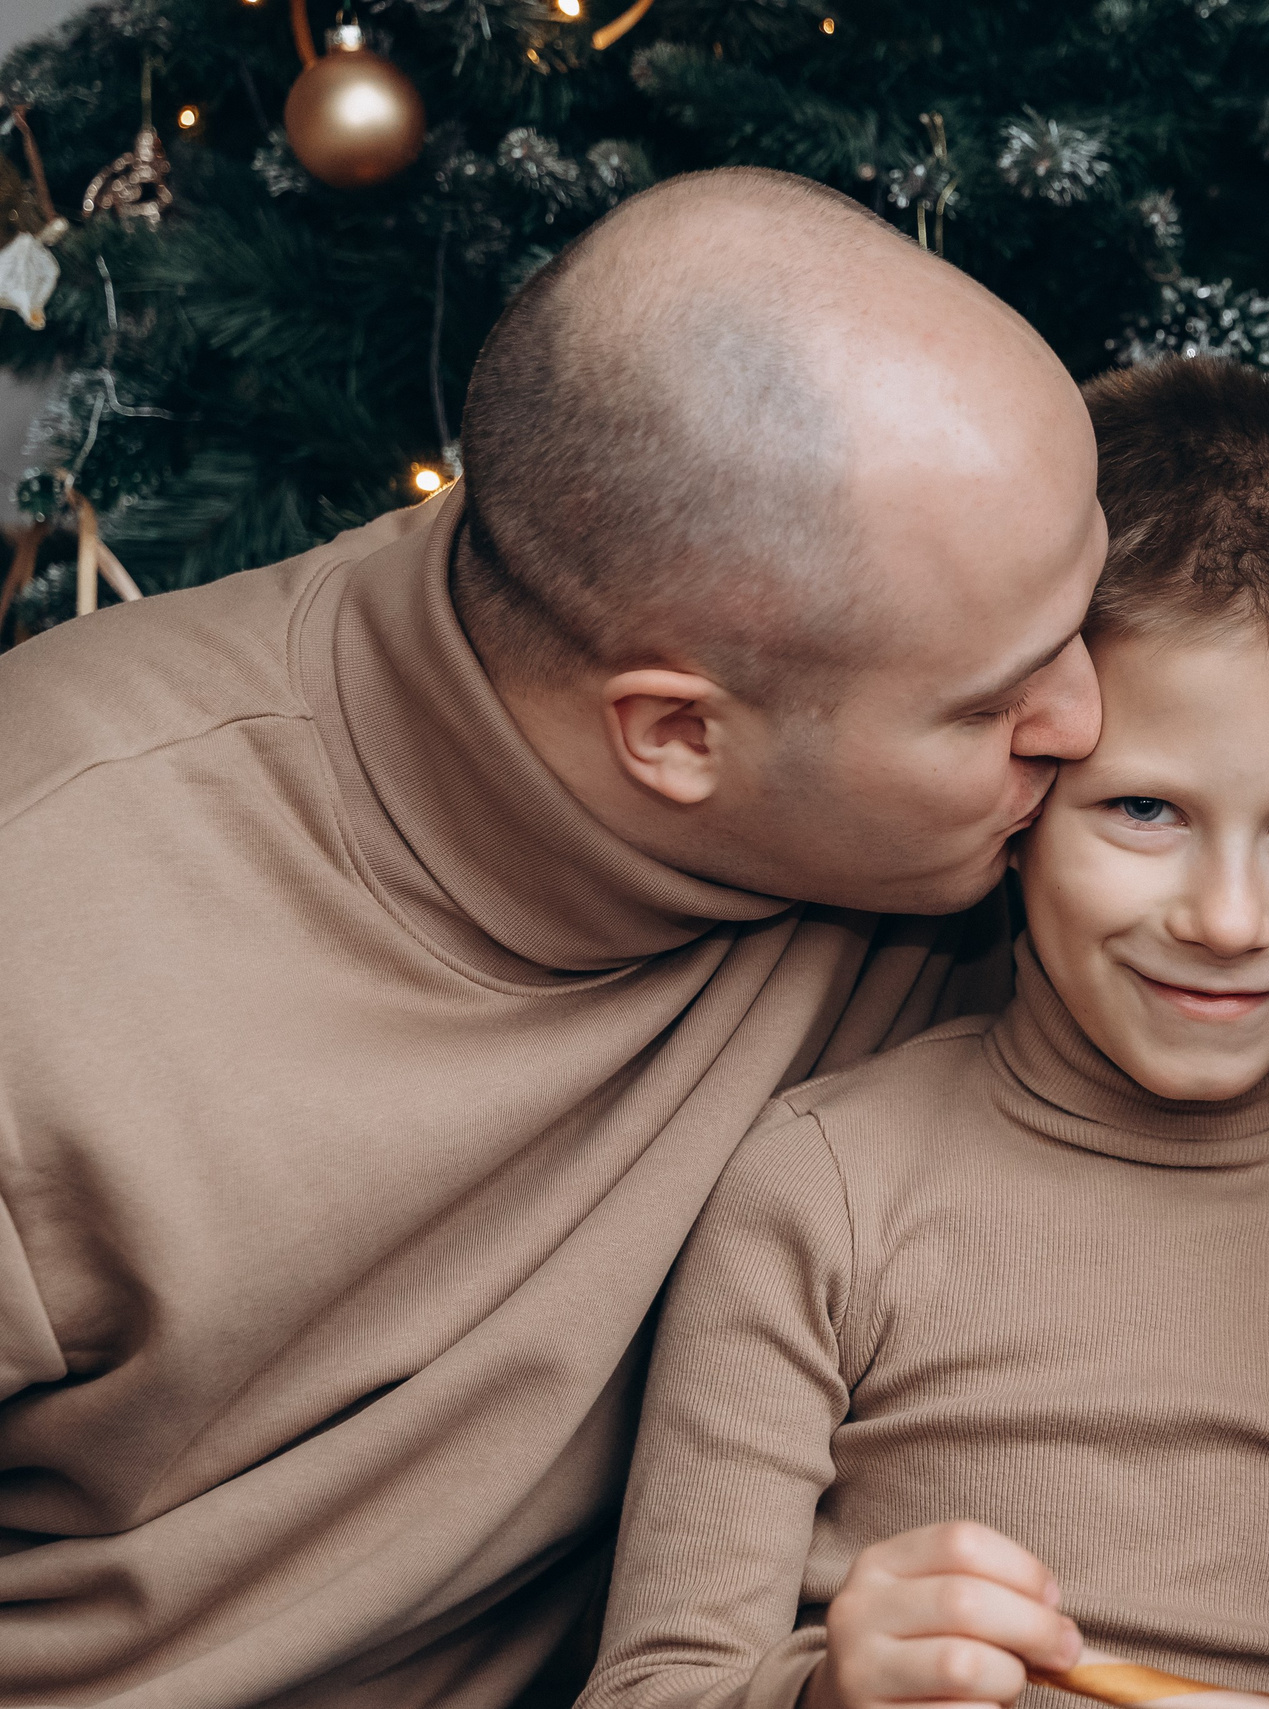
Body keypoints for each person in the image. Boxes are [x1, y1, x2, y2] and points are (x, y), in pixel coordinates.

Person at [0, 168, 1103, 1708]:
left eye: (1087, 620)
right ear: (673, 737)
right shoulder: (43, 913)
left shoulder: (969, 852)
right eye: (999, 700)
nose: (1091, 724)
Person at [579, 359, 1269, 1709]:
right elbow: (651, 1686)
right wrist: (826, 1693)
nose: (1230, 918)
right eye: (1144, 811)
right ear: (1024, 810)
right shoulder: (820, 1187)